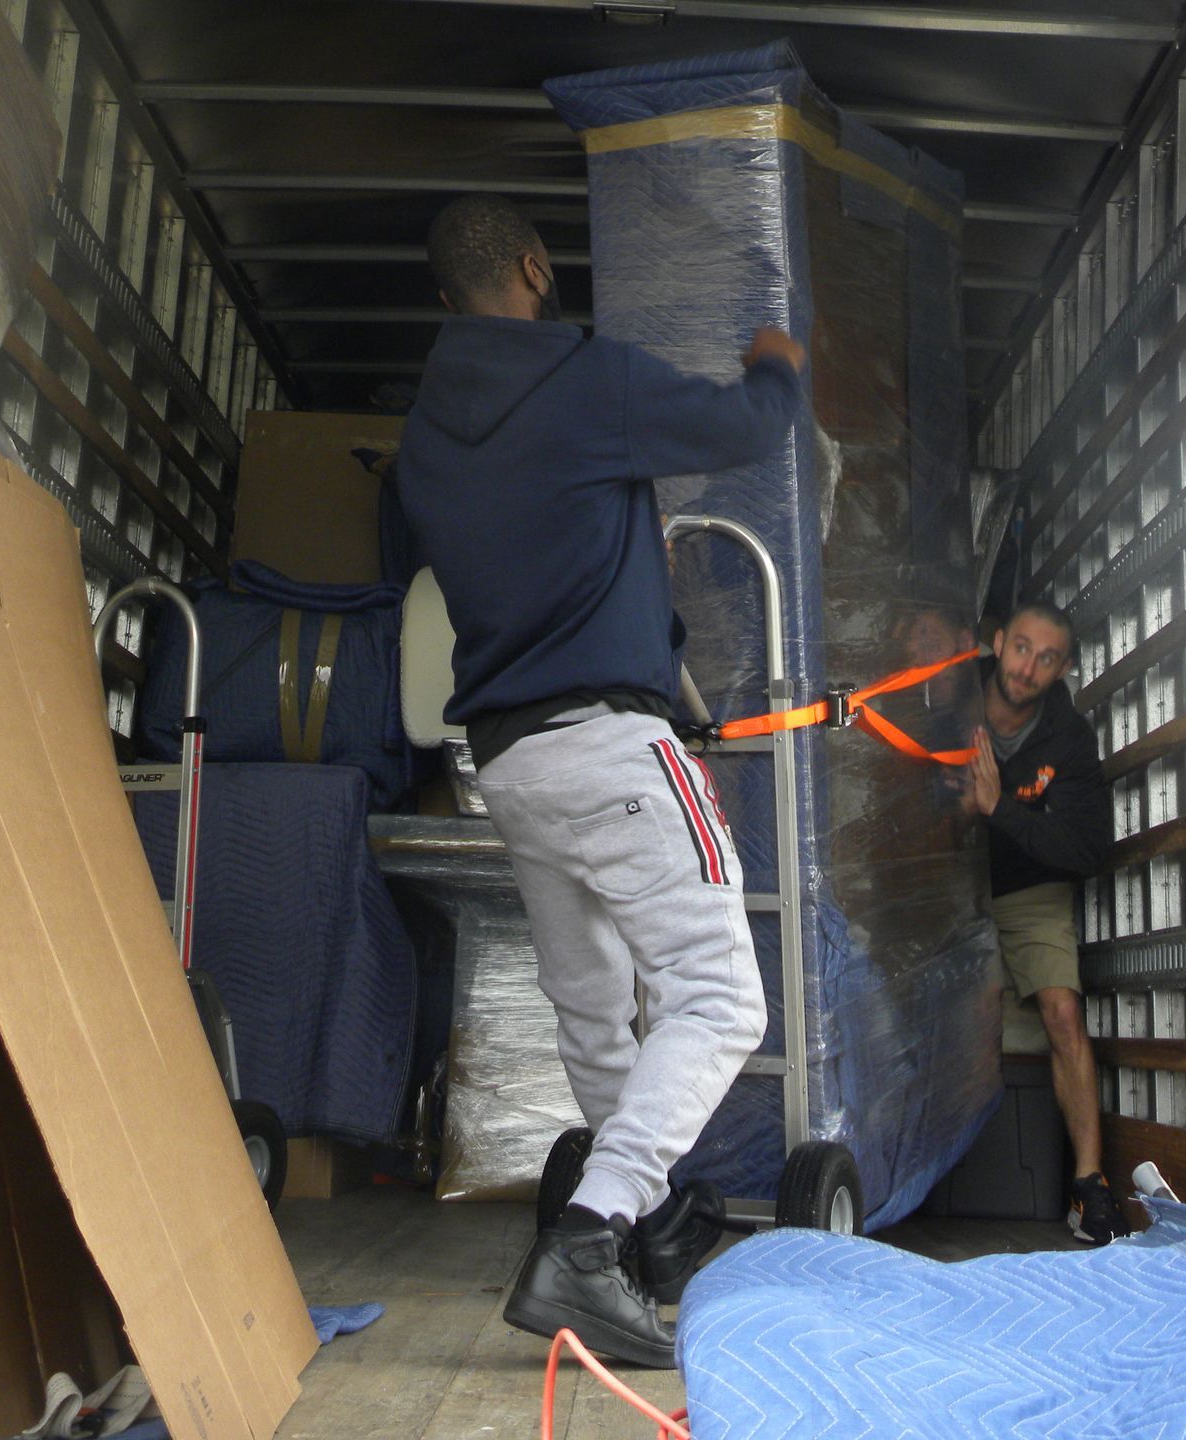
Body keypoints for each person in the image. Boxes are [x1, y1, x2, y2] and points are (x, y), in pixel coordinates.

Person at [397, 194, 807, 1367]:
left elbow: (544, 561)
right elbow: (745, 427)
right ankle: (589, 1235)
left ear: (444, 301)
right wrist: (776, 368)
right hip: (608, 744)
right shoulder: (585, 379)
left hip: (511, 764)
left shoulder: (425, 438)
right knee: (721, 996)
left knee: (594, 1007)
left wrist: (661, 670)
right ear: (533, 266)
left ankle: (650, 1222)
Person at [961, 599, 1120, 1244]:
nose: (1028, 668)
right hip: (936, 881)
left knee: (1061, 1012)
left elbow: (1087, 850)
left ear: (1064, 670)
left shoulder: (1069, 740)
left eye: (1046, 658)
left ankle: (1089, 1187)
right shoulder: (947, 700)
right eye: (1022, 648)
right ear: (998, 643)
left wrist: (1001, 810)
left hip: (1025, 886)